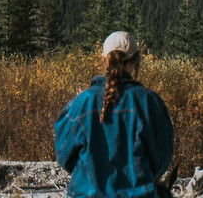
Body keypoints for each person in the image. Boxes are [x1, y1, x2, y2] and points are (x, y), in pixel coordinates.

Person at [55, 31, 174, 197]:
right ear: (134, 61)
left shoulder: (82, 102)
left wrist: (88, 173)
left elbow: (63, 154)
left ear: (103, 59)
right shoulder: (150, 102)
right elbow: (162, 157)